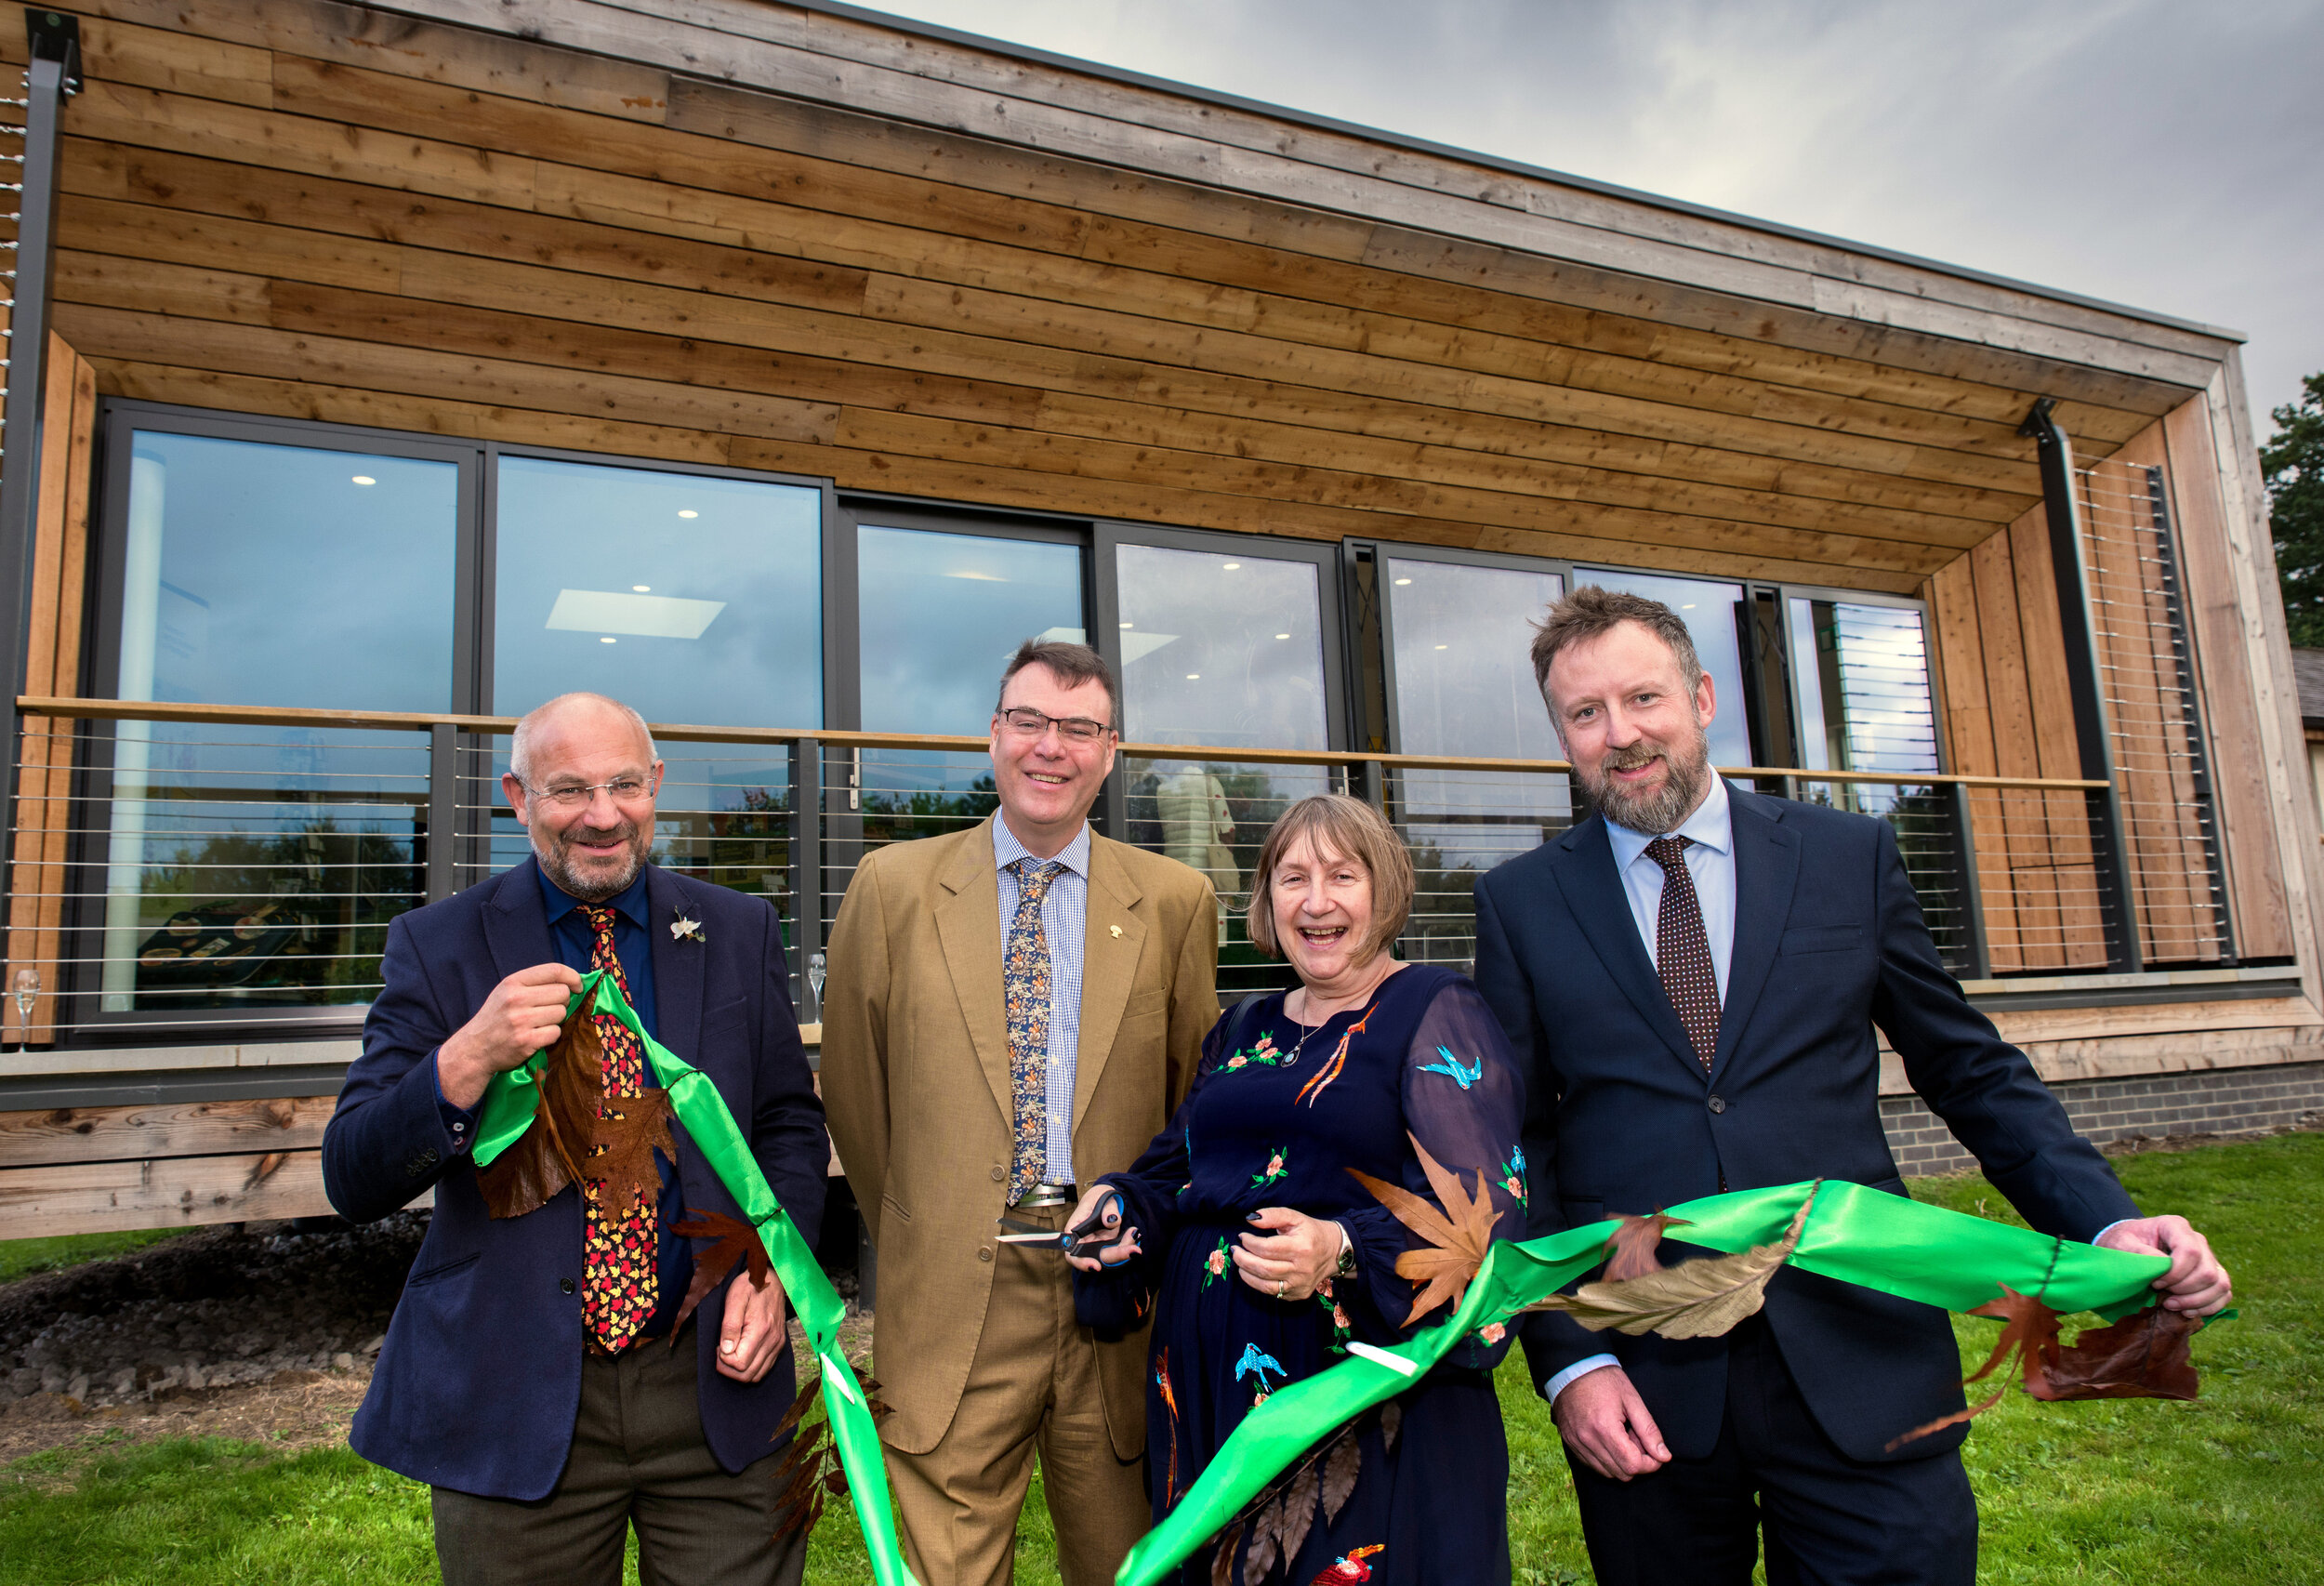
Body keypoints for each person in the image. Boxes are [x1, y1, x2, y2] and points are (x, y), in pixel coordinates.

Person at [1473, 588, 2233, 1586]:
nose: (1620, 734)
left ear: (1702, 698)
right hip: (1647, 1379)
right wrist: (1573, 1358)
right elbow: (1516, 1146)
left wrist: (2102, 1224)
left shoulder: (1846, 855)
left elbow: (1968, 1066)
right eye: (1584, 713)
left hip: (1860, 1351)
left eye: (1642, 697)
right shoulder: (1521, 901)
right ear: (1560, 732)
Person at [323, 692, 827, 1586]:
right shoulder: (437, 946)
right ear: (517, 797)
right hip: (517, 1390)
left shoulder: (738, 928)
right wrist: (466, 1057)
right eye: (568, 790)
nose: (602, 815)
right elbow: (355, 1173)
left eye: (624, 785)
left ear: (656, 786)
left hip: (714, 1384)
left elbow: (787, 1121)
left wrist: (770, 1268)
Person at [819, 640, 1221, 1586]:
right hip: (956, 1298)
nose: (1052, 747)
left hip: (1113, 1302)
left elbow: (1189, 1107)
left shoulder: (1174, 901)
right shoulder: (892, 886)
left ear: (1110, 749)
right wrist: (927, 1220)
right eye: (1030, 720)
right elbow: (854, 1088)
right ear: (994, 735)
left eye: (1078, 727)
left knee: (1132, 1567)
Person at [1070, 793, 1525, 1586]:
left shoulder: (1434, 1010)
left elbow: (1484, 1225)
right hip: (1214, 1400)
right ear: (1266, 900)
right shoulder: (1241, 1025)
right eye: (1293, 878)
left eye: (1342, 876)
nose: (1317, 902)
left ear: (1383, 892)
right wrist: (1119, 1206)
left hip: (1356, 1408)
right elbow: (1179, 1169)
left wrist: (1344, 1249)